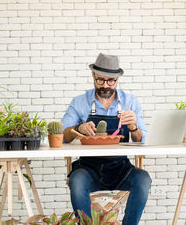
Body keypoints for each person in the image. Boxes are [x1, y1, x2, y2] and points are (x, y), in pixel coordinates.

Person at [61, 53, 151, 225]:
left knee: (143, 178)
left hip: (120, 169)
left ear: (117, 79)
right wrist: (78, 128)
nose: (106, 85)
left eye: (111, 81)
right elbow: (62, 137)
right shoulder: (80, 102)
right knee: (76, 180)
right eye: (101, 80)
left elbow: (142, 140)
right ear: (93, 75)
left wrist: (133, 127)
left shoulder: (131, 102)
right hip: (88, 169)